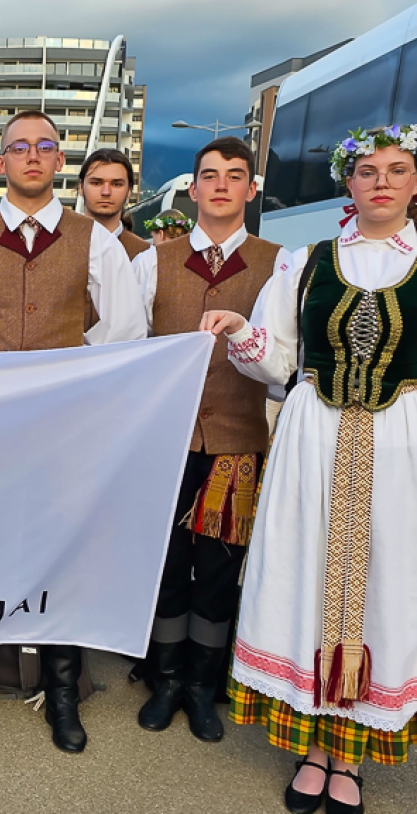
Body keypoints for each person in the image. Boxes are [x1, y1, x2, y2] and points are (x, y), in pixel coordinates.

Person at [0, 110, 147, 752]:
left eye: (46, 146)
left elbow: (123, 327)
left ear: (58, 159)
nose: (33, 157)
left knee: (61, 553)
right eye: (21, 147)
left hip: (64, 429)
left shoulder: (92, 239)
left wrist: (64, 373)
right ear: (3, 160)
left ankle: (63, 693)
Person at [202, 124, 417, 814]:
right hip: (313, 437)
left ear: (415, 183)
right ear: (346, 184)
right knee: (306, 577)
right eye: (366, 170)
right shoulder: (305, 263)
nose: (380, 180)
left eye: (397, 168)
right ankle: (313, 746)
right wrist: (240, 331)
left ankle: (350, 756)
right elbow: (277, 358)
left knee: (384, 585)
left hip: (402, 443)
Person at [130, 137, 290, 745]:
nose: (220, 184)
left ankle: (202, 685)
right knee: (167, 563)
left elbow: (281, 366)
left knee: (220, 569)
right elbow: (130, 348)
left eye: (235, 175)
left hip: (236, 441)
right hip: (166, 442)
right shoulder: (154, 261)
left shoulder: (280, 263)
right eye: (208, 175)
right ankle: (164, 678)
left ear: (251, 190)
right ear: (192, 189)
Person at [79, 148, 150, 261]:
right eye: (96, 183)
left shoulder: (145, 255)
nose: (106, 192)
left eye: (116, 184)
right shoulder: (59, 245)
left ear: (129, 191)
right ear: (81, 187)